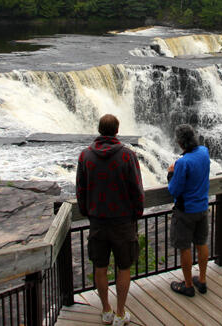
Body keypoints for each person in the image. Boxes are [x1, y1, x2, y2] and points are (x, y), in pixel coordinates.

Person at [76, 114, 144, 326]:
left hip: (98, 221)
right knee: (124, 268)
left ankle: (106, 310)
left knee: (100, 267)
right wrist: (137, 212)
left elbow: (80, 189)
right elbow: (136, 188)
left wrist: (87, 211)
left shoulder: (85, 156)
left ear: (99, 129)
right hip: (123, 221)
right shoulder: (127, 155)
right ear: (117, 130)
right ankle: (121, 312)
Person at [167, 124, 210, 297]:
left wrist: (171, 173)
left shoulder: (183, 163)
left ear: (180, 142)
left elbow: (174, 190)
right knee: (201, 243)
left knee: (185, 247)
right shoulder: (204, 152)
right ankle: (203, 279)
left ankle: (188, 285)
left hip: (185, 211)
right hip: (202, 207)